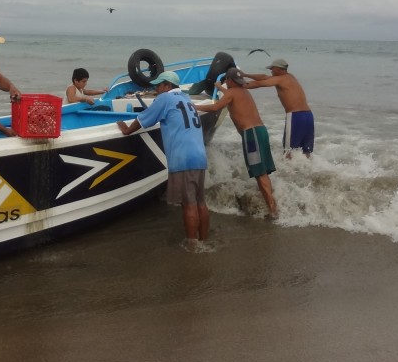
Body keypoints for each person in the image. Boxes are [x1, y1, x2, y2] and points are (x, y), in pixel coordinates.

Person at [116, 71, 209, 251]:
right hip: (200, 155)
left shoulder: (165, 98)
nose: (156, 89)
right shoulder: (186, 99)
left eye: (158, 85)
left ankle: (193, 246)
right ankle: (204, 241)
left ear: (167, 86)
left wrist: (126, 130)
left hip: (183, 158)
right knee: (200, 202)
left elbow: (143, 120)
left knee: (188, 203)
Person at [194, 67, 277, 218]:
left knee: (260, 174)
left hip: (251, 135)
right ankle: (272, 204)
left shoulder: (232, 93)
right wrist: (219, 87)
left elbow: (215, 107)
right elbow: (231, 96)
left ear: (229, 81)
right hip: (261, 132)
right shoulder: (243, 91)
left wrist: (192, 106)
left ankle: (273, 210)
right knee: (263, 172)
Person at [238, 57, 314, 159]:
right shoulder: (291, 77)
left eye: (272, 68)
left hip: (295, 116)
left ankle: (287, 173)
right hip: (308, 115)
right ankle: (309, 172)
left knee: (288, 151)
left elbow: (259, 83)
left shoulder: (279, 79)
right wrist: (245, 75)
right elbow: (264, 77)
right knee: (306, 151)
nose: (271, 70)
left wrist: (239, 85)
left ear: (279, 69)